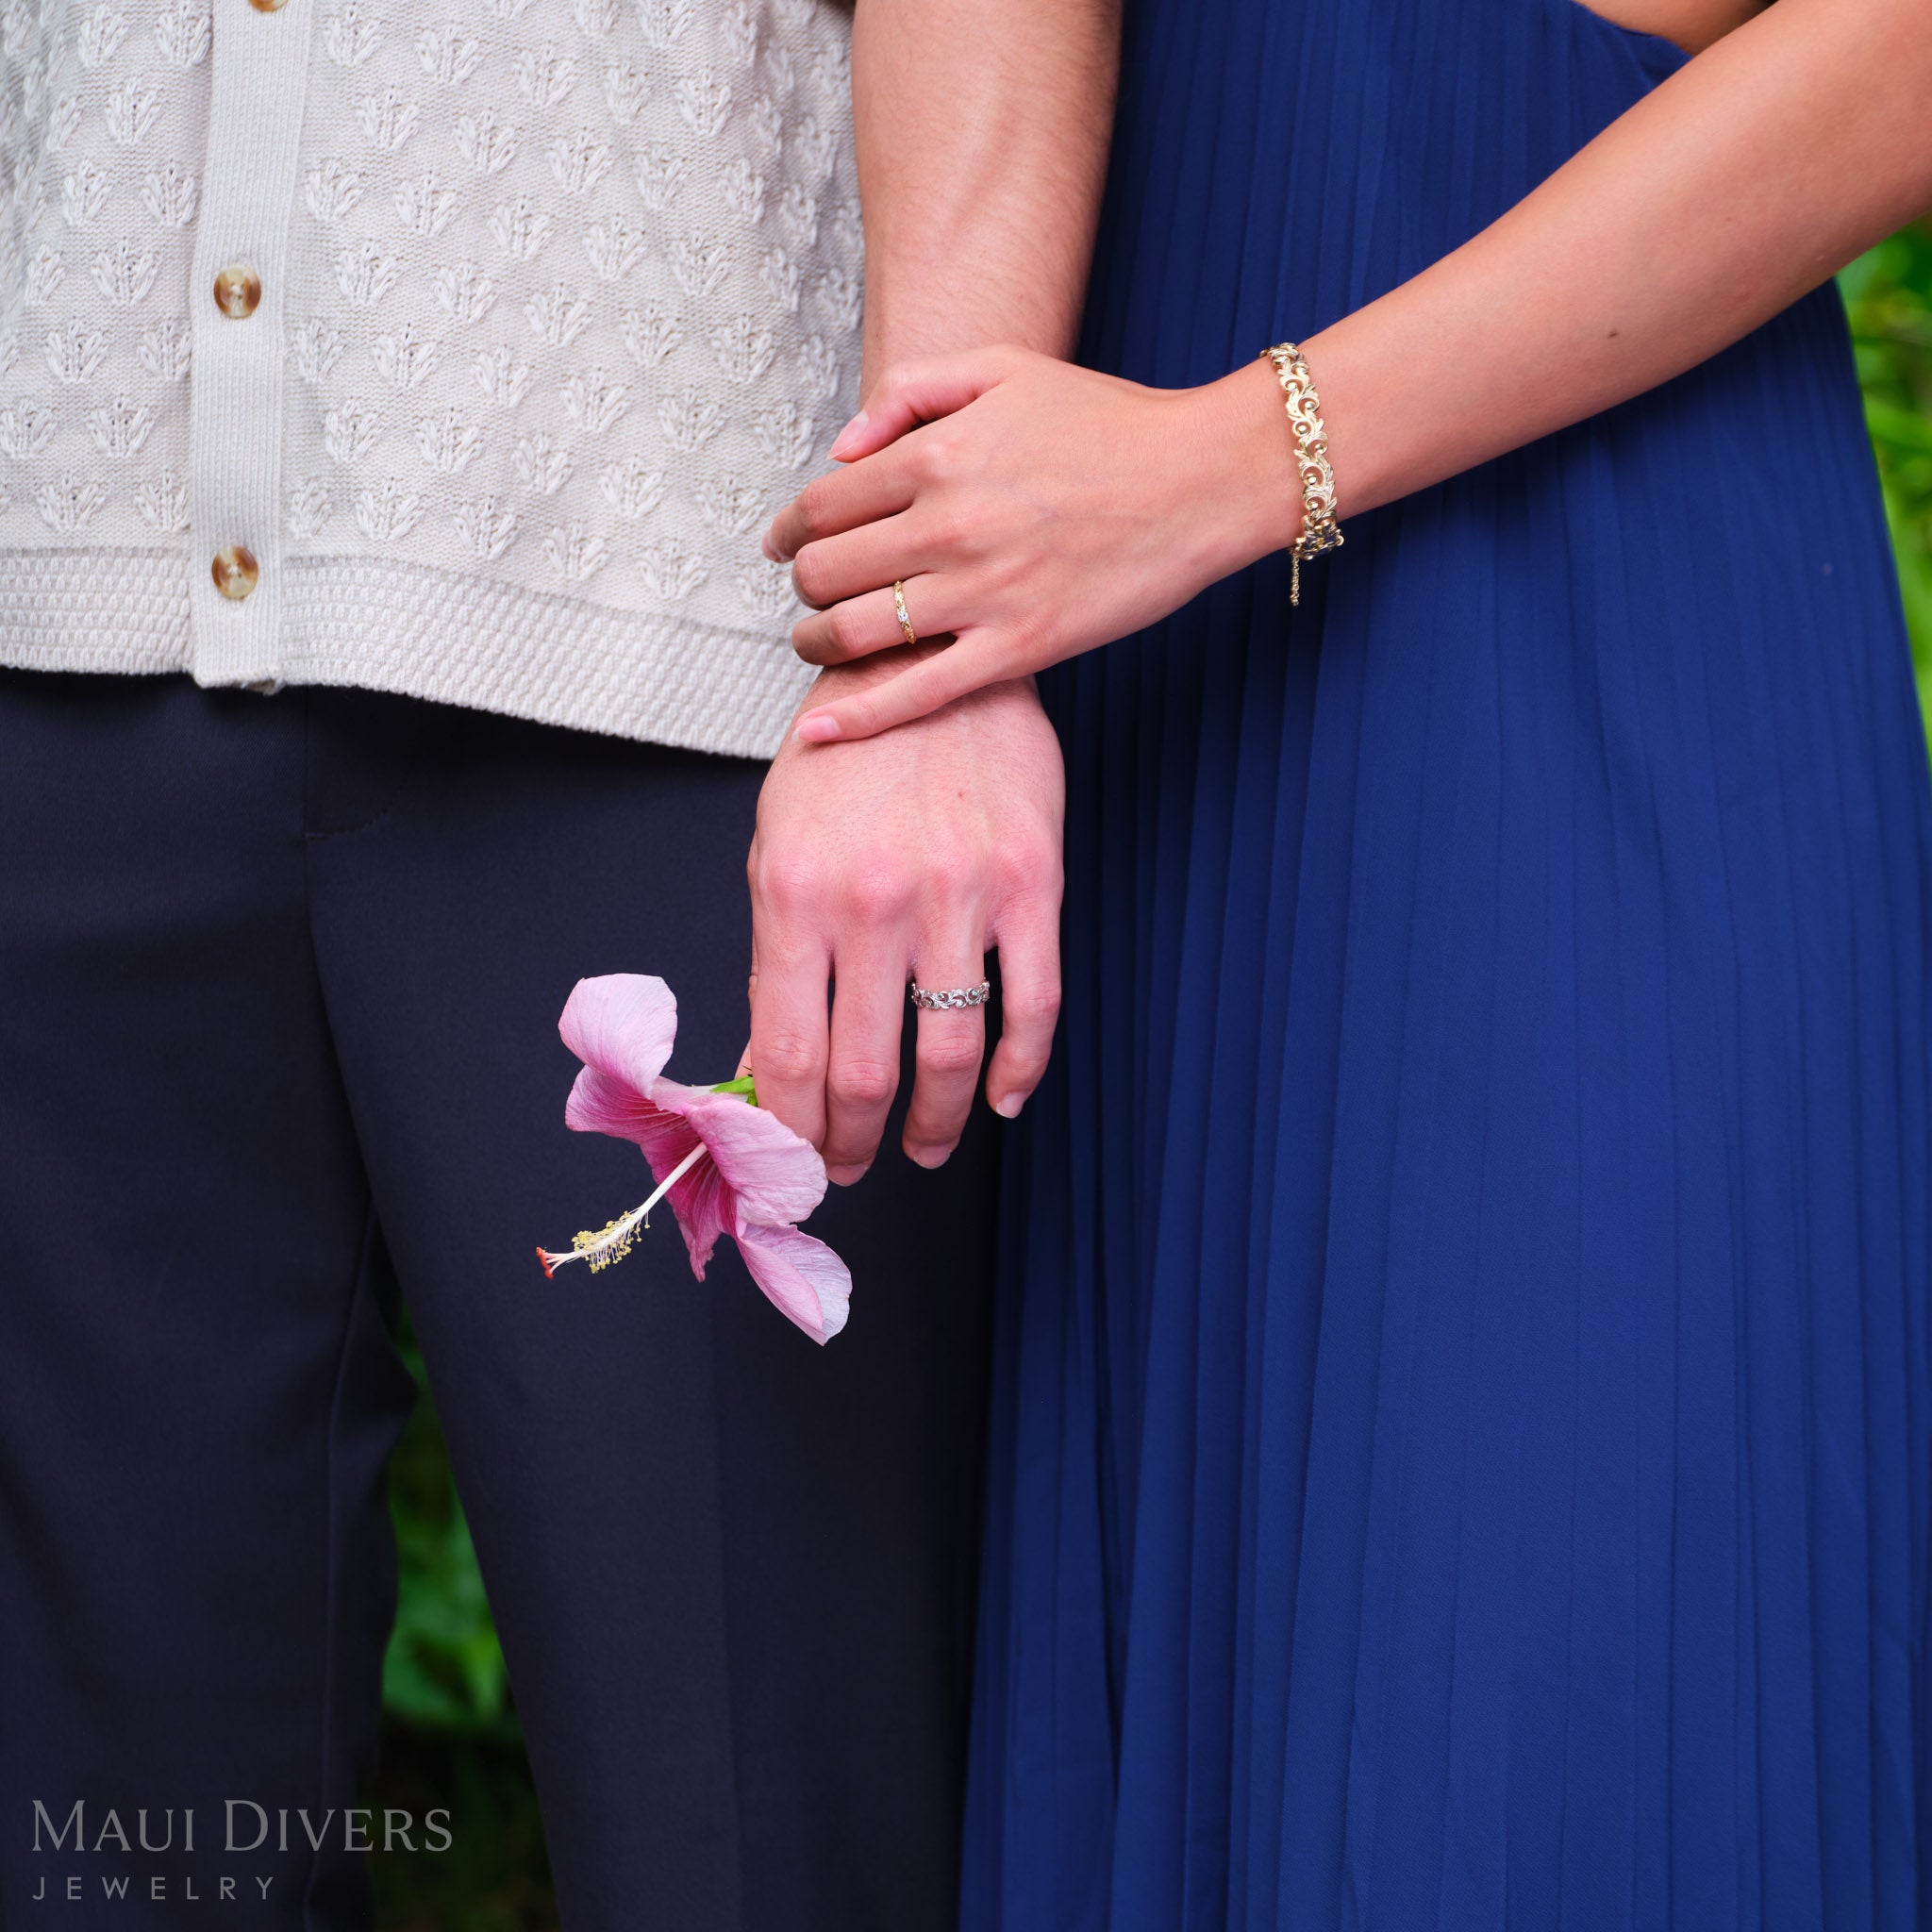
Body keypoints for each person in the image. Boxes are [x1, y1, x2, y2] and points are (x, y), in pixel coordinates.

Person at [764, 0, 1932, 1921]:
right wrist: (948, 610)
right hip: (1118, 614)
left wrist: (1235, 461)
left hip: (1581, 540)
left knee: (1544, 1728)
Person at [0, 0, 1085, 1925]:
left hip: (687, 633)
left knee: (745, 1839)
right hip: (52, 603)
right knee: (105, 1840)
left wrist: (931, 628)